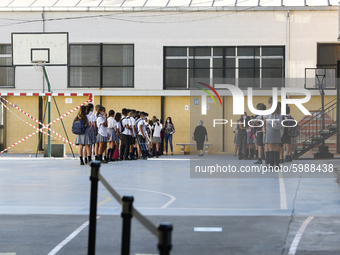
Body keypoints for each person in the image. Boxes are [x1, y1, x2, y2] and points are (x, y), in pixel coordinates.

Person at [264, 102, 282, 167]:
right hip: (277, 131)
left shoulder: (268, 114)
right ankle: (277, 163)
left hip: (270, 130)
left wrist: (265, 131)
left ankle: (271, 164)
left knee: (270, 147)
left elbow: (265, 122)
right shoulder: (279, 115)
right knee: (277, 147)